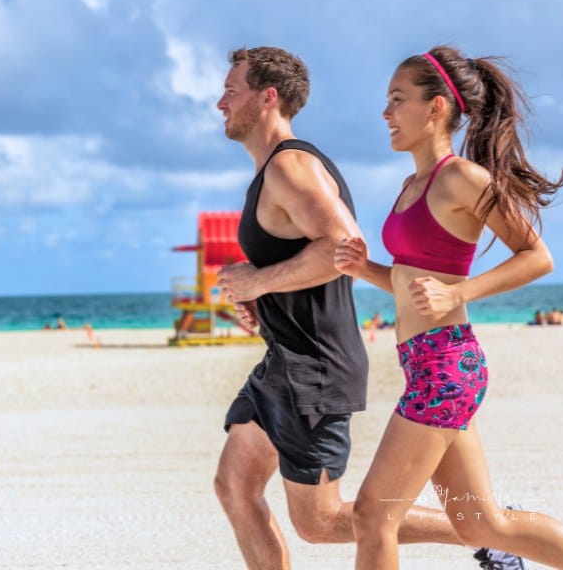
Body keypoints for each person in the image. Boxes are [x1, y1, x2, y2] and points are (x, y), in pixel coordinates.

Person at [212, 46, 495, 569]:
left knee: (322, 523)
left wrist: (258, 279)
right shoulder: (273, 170)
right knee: (233, 484)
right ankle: (483, 530)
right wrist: (260, 294)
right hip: (284, 360)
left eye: (232, 90)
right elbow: (302, 260)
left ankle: (482, 534)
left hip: (313, 368)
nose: (220, 102)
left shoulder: (291, 166)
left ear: (268, 97)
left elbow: (340, 246)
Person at [334, 45, 563, 569]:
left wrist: (460, 293)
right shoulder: (411, 185)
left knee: (373, 516)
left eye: (397, 99)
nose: (385, 113)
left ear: (436, 109)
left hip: (446, 366)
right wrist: (366, 270)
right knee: (481, 523)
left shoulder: (461, 178)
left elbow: (536, 257)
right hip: (425, 364)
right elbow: (415, 280)